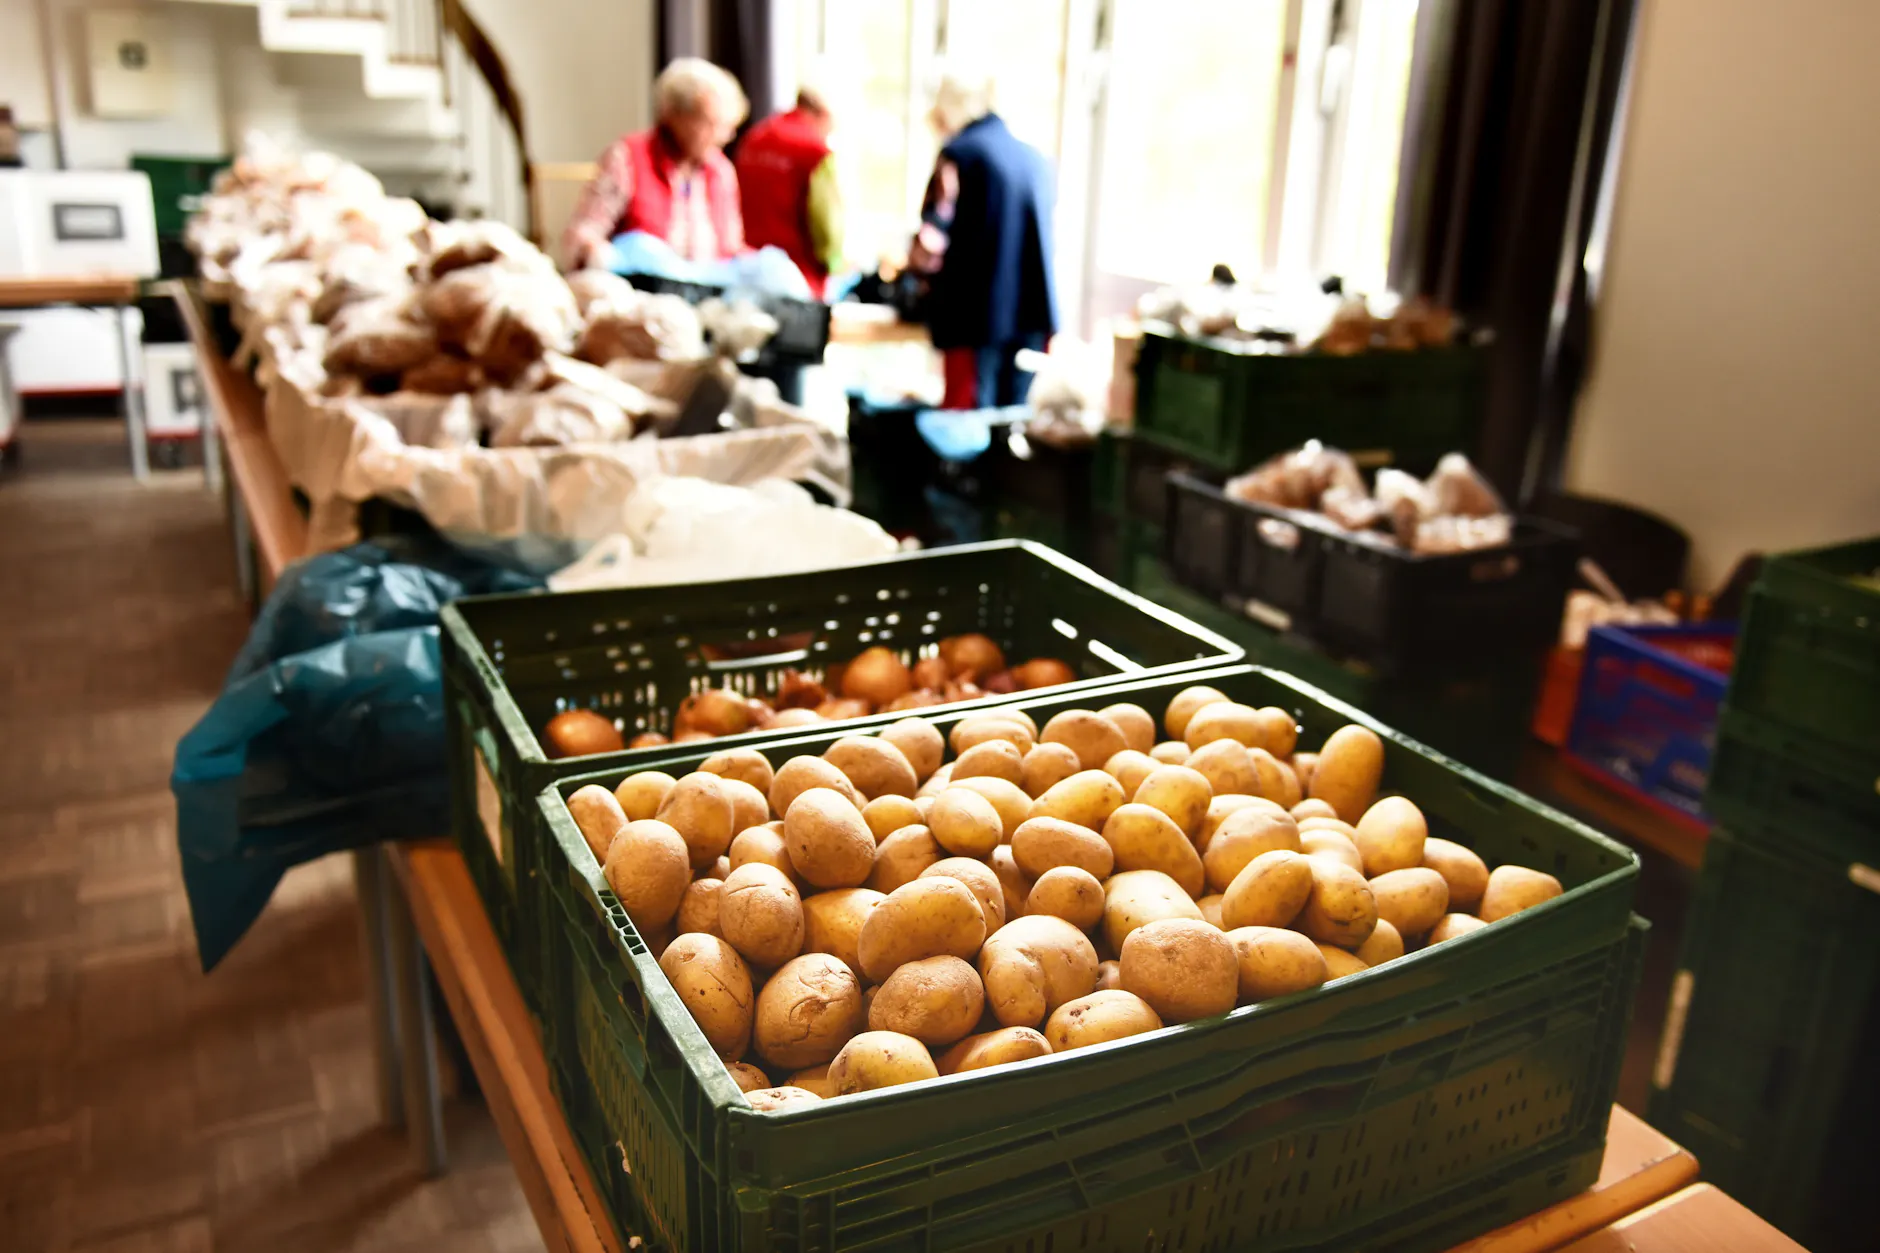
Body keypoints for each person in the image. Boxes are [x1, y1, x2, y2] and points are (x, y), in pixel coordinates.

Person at [911, 67, 1059, 409]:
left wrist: (912, 283)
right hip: (1032, 320)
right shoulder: (1034, 159)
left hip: (974, 320)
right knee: (1010, 427)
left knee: (968, 431)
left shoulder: (960, 156)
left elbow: (931, 240)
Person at [562, 59, 749, 272]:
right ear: (675, 115)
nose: (722, 137)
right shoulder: (627, 158)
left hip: (708, 295)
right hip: (641, 294)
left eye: (727, 127)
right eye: (710, 124)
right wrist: (601, 255)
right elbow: (583, 235)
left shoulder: (721, 171)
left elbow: (732, 248)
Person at [734, 86, 843, 299]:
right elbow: (826, 223)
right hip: (799, 275)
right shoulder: (815, 151)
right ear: (823, 115)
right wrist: (834, 262)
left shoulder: (754, 138)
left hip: (748, 270)